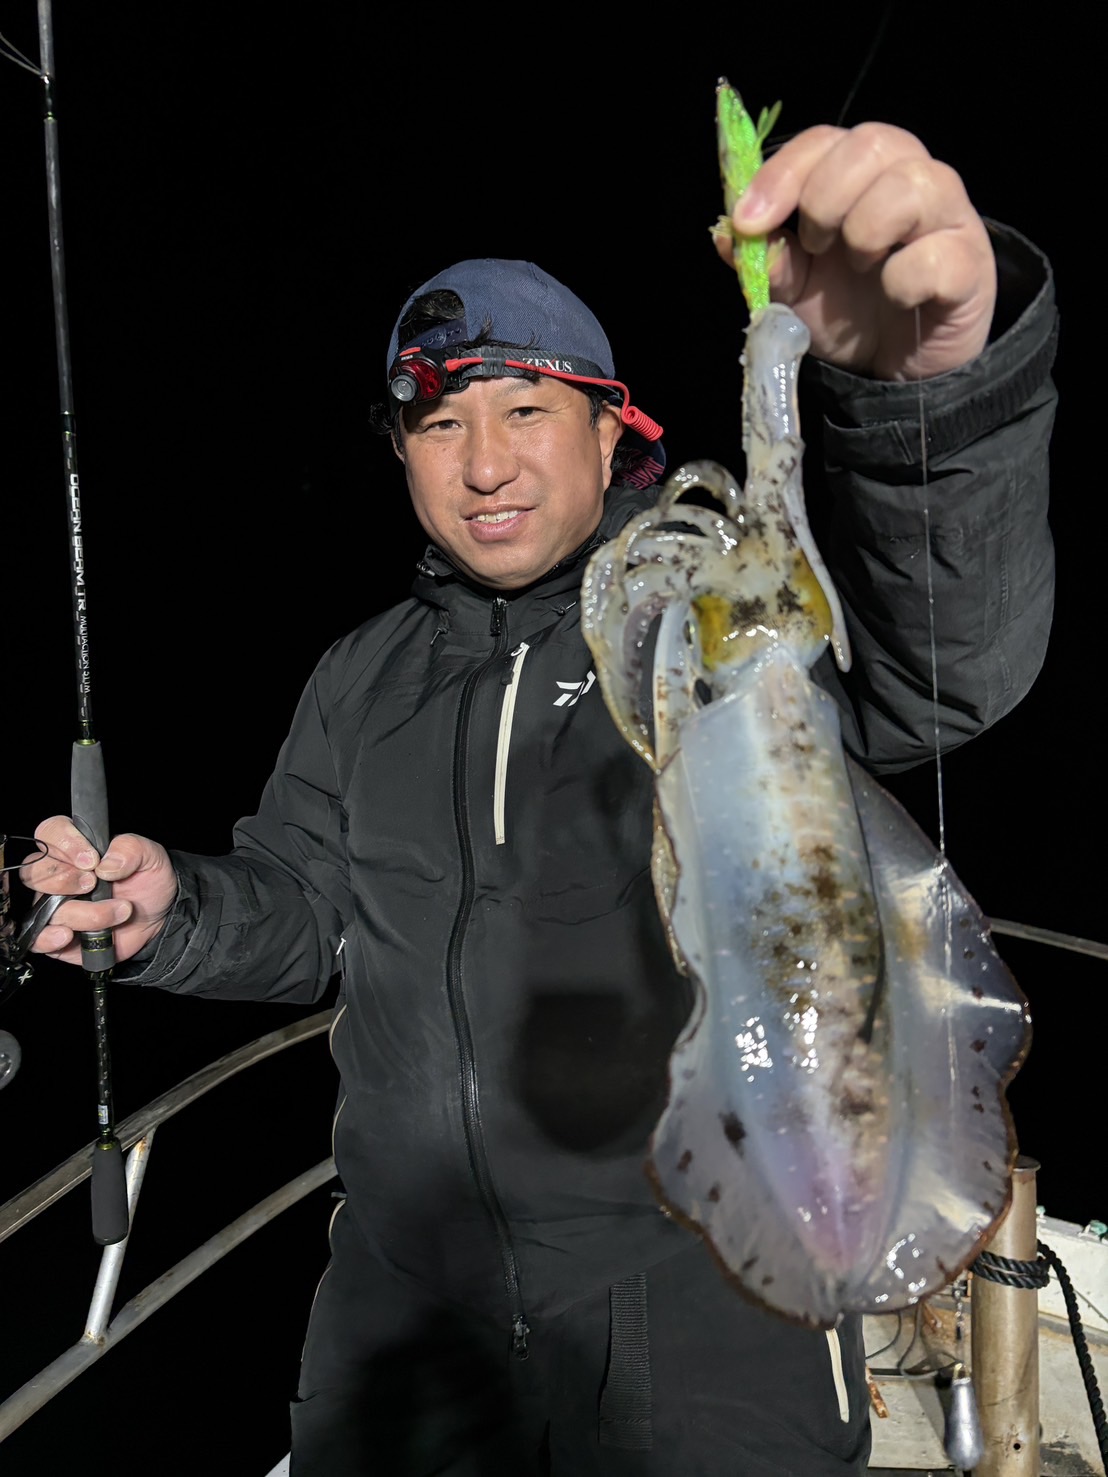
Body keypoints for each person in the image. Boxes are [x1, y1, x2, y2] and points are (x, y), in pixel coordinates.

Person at [23, 119, 1058, 1476]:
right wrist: (176, 914)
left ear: (611, 428)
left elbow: (944, 664)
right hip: (406, 1314)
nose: (484, 465)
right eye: (439, 423)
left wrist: (936, 392)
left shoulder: (713, 619)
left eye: (525, 411)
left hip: (705, 1299)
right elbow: (308, 908)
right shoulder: (361, 676)